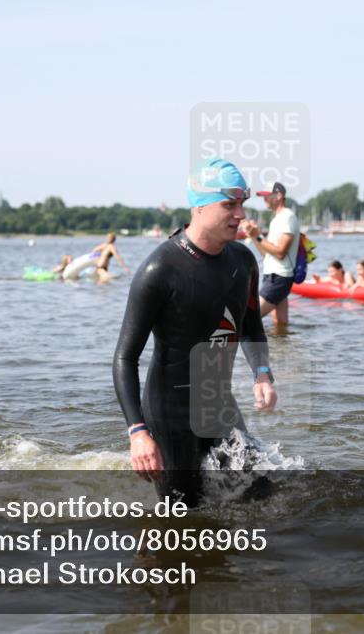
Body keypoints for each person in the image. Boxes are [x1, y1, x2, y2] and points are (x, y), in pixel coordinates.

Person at [113, 158, 278, 507]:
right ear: (199, 207)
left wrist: (262, 374)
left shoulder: (243, 261)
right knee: (185, 512)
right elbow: (125, 358)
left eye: (242, 205)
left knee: (261, 492)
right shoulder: (159, 270)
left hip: (219, 404)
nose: (240, 215)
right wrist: (138, 433)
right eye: (229, 205)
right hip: (171, 412)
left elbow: (249, 325)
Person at [243, 181, 300, 325]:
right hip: (273, 275)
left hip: (279, 277)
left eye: (267, 195)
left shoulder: (287, 217)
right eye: (263, 196)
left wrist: (259, 236)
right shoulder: (277, 219)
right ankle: (281, 347)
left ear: (279, 195)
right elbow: (267, 253)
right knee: (280, 323)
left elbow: (280, 252)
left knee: (249, 319)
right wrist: (254, 236)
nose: (264, 199)